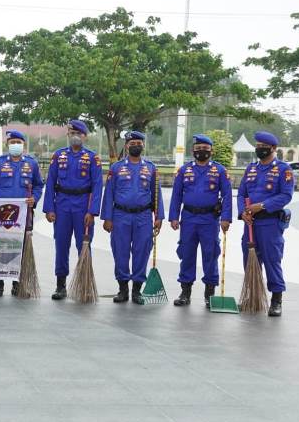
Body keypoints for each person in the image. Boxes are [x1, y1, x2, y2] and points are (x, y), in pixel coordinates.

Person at [168, 134, 232, 307]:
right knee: (186, 254)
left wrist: (226, 218)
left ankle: (209, 294)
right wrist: (174, 216)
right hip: (188, 219)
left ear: (211, 151)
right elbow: (176, 195)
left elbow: (227, 195)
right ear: (193, 151)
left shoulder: (219, 170)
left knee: (210, 255)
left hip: (210, 220)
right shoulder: (184, 170)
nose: (201, 152)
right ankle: (185, 292)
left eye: (205, 149)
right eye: (198, 149)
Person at [100, 131, 164, 304]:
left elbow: (156, 193)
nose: (136, 145)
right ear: (126, 146)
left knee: (141, 251)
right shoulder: (116, 168)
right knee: (120, 251)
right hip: (120, 215)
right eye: (132, 143)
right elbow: (109, 194)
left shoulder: (150, 168)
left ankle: (137, 290)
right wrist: (107, 217)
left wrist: (158, 216)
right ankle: (123, 289)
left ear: (143, 145)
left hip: (143, 216)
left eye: (139, 143)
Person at [42, 120, 102, 300]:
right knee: (61, 245)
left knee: (83, 245)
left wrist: (92, 211)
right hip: (62, 205)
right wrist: (49, 208)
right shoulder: (58, 156)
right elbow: (51, 183)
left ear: (84, 136)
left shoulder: (92, 158)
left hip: (83, 205)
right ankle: (60, 285)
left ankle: (84, 284)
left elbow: (97, 186)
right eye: (71, 133)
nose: (74, 136)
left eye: (78, 133)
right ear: (68, 135)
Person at [238, 131, 294, 317]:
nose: (259, 148)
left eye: (264, 146)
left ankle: (276, 299)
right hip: (250, 224)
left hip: (270, 223)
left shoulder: (283, 169)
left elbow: (286, 195)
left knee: (272, 260)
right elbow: (241, 194)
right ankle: (252, 297)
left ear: (273, 148)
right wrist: (242, 212)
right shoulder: (251, 169)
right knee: (249, 260)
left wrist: (261, 206)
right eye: (258, 145)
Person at [0, 129, 43, 297]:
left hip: (23, 214)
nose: (15, 145)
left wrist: (35, 198)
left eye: (18, 143)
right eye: (12, 143)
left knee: (21, 249)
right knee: (1, 246)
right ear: (7, 145)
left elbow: (39, 185)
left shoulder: (32, 164)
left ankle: (18, 284)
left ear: (23, 145)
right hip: (1, 214)